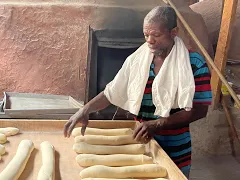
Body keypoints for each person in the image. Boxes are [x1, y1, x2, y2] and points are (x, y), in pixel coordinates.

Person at [63, 6, 212, 178]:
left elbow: (200, 110)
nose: (150, 40)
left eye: (156, 35)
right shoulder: (138, 60)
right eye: (146, 35)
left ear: (174, 32)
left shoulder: (193, 64)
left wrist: (157, 124)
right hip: (140, 143)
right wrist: (86, 109)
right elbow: (113, 91)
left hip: (175, 148)